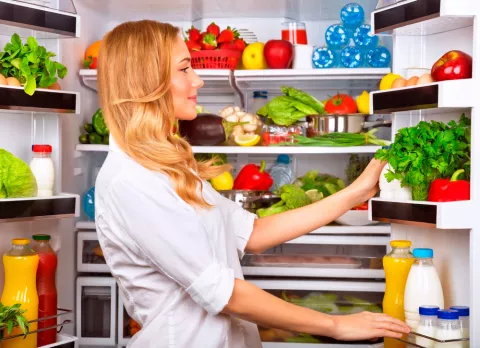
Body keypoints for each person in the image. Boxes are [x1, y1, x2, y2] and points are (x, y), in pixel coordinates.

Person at [95, 20, 410, 348]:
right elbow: (225, 294)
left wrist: (356, 192)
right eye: (185, 69)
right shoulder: (130, 182)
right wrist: (334, 325)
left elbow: (254, 233)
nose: (198, 80)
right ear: (148, 80)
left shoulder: (167, 167)